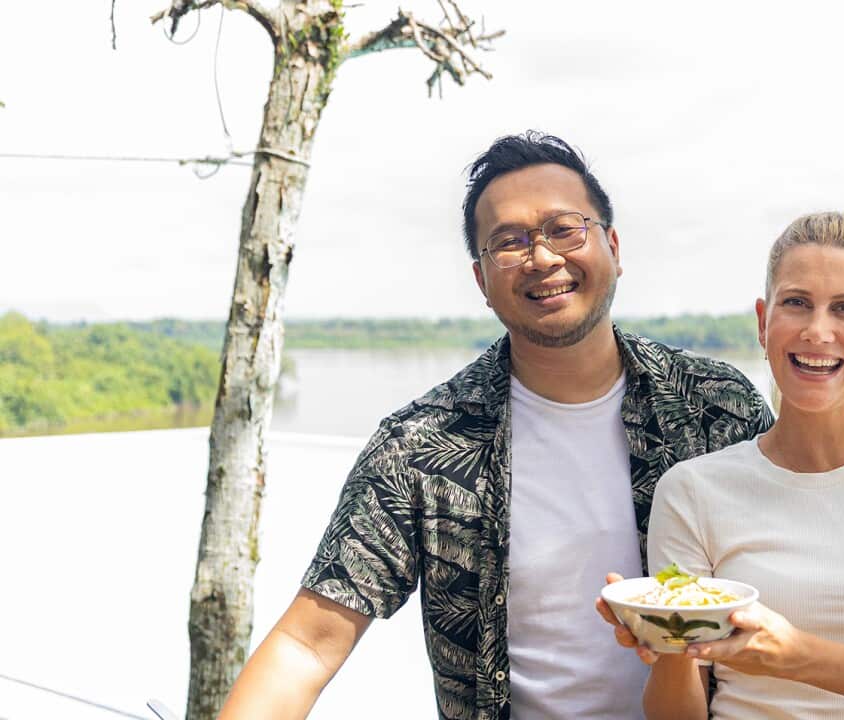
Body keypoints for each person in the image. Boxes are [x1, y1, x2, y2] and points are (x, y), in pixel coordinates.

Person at [217, 132, 773, 720]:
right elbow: (307, 645)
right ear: (482, 280)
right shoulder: (424, 445)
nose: (542, 257)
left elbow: (794, 587)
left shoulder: (715, 407)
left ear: (612, 245)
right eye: (509, 242)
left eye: (564, 229)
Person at [597, 211, 844, 719]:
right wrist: (670, 639)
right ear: (763, 322)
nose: (818, 330)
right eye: (797, 303)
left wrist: (791, 654)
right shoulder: (692, 490)